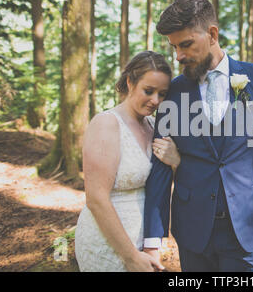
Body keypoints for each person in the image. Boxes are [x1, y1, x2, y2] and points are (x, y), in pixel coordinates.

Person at [143, 0, 253, 272]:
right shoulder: (174, 91)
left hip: (248, 224)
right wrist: (153, 237)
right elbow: (161, 166)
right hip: (192, 227)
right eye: (174, 47)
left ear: (212, 34)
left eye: (186, 44)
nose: (178, 56)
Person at [75, 51, 181, 272]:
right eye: (148, 91)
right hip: (108, 244)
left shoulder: (153, 125)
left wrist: (176, 161)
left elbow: (162, 185)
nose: (156, 101)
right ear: (130, 82)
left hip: (145, 240)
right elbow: (96, 199)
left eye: (162, 94)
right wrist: (131, 256)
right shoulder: (107, 124)